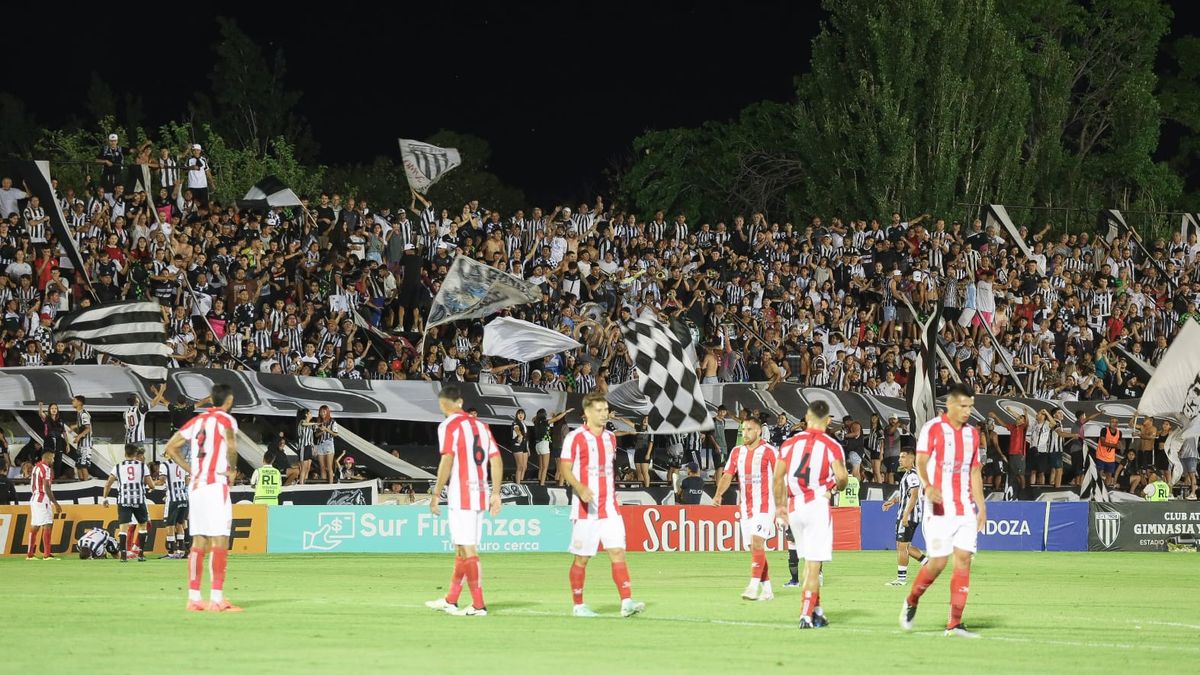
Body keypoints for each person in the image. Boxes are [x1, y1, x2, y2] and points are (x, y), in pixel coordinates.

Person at [901, 383, 986, 638]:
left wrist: (981, 506)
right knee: (938, 562)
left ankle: (955, 623)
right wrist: (927, 484)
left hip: (965, 507)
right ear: (950, 404)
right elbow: (922, 460)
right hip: (938, 505)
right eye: (963, 406)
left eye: (970, 406)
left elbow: (974, 471)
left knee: (963, 560)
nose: (967, 411)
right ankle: (912, 599)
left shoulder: (972, 434)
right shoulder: (933, 429)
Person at [560, 391, 645, 618]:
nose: (604, 414)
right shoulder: (575, 438)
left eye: (606, 410)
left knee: (618, 552)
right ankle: (578, 605)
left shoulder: (610, 438)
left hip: (609, 508)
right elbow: (565, 469)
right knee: (582, 558)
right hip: (586, 509)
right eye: (599, 410)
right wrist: (579, 488)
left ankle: (626, 601)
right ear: (587, 413)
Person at [162, 384, 242, 612]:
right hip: (216, 484)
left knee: (199, 542)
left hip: (196, 487)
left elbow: (171, 447)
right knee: (220, 540)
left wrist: (191, 469)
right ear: (228, 401)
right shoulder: (226, 420)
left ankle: (194, 598)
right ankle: (217, 599)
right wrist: (233, 470)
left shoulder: (196, 421)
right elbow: (232, 446)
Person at [424, 385, 502, 617]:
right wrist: (495, 493)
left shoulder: (448, 425)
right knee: (461, 547)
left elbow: (447, 459)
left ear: (442, 405)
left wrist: (436, 493)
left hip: (462, 494)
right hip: (479, 494)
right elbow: (496, 460)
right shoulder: (481, 425)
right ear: (459, 402)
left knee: (467, 548)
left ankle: (479, 605)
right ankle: (451, 600)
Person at [773, 400, 847, 629]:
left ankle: (817, 611)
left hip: (794, 507)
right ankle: (805, 613)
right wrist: (834, 486)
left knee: (807, 560)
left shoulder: (789, 444)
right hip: (816, 505)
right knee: (814, 563)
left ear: (806, 416)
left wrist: (780, 507)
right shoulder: (831, 445)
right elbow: (843, 479)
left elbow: (777, 478)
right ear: (828, 420)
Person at [713, 415, 778, 601]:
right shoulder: (736, 452)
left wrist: (784, 503)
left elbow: (781, 477)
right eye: (743, 430)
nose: (745, 433)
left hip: (765, 505)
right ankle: (768, 589)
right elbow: (727, 475)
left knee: (757, 543)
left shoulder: (769, 451)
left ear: (758, 431)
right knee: (754, 548)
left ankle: (752, 586)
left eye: (749, 429)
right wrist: (718, 494)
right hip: (745, 507)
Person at [102, 444, 154, 562]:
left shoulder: (118, 467)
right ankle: (140, 554)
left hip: (123, 500)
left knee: (123, 528)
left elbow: (108, 484)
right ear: (136, 454)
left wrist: (105, 498)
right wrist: (152, 487)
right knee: (142, 526)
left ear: (125, 453)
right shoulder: (142, 466)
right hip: (139, 500)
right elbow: (150, 484)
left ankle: (124, 555)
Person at [882, 448, 926, 586]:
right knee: (905, 546)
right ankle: (928, 564)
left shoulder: (912, 476)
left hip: (908, 515)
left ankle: (901, 579)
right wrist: (893, 501)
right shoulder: (908, 474)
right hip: (907, 514)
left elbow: (913, 496)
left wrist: (905, 515)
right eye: (900, 457)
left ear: (911, 458)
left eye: (903, 457)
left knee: (902, 547)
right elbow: (907, 495)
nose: (899, 459)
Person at [26, 449, 62, 560]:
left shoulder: (36, 467)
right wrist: (56, 503)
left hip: (35, 499)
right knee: (48, 523)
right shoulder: (46, 468)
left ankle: (30, 554)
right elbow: (47, 487)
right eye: (53, 458)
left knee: (35, 525)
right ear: (47, 458)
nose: (53, 460)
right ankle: (46, 554)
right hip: (42, 499)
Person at [161, 450, 190, 559]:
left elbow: (162, 480)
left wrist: (152, 484)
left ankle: (171, 552)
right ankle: (181, 551)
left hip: (172, 498)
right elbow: (187, 481)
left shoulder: (165, 465)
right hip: (183, 498)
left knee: (170, 525)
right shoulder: (183, 464)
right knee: (180, 524)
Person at [306, 406, 340, 484]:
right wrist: (322, 431)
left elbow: (336, 434)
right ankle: (324, 485)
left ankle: (330, 486)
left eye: (324, 411)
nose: (322, 413)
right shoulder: (318, 422)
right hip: (320, 444)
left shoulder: (332, 421)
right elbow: (317, 435)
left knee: (329, 467)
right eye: (321, 412)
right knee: (322, 467)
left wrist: (326, 429)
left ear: (327, 412)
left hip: (328, 443)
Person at [36, 402, 67, 477]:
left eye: (55, 408)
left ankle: (55, 478)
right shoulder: (46, 418)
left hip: (59, 442)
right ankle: (45, 477)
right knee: (48, 461)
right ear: (49, 410)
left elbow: (64, 433)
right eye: (52, 408)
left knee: (58, 462)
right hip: (49, 441)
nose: (54, 410)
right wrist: (40, 406)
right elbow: (40, 413)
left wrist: (67, 444)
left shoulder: (60, 421)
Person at [70, 395, 93, 481]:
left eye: (74, 400)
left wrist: (79, 437)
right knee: (78, 466)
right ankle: (81, 483)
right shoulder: (79, 413)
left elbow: (88, 428)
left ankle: (86, 485)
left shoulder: (84, 414)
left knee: (83, 466)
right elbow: (84, 426)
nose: (72, 402)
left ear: (79, 402)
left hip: (85, 444)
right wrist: (76, 428)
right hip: (81, 444)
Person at [1096, 417, 1121, 488]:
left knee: (1109, 475)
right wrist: (1114, 445)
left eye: (1116, 422)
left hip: (1110, 458)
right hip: (1101, 456)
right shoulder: (1104, 430)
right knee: (1099, 473)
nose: (1114, 423)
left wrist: (1118, 446)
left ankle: (1106, 489)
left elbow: (1118, 445)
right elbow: (1103, 443)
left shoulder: (1119, 433)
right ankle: (1098, 488)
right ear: (1109, 423)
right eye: (1112, 422)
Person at [295, 409, 314, 485]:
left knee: (308, 467)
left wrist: (313, 447)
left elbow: (311, 437)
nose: (311, 414)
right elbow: (304, 424)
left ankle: (304, 483)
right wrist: (315, 423)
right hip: (303, 446)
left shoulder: (310, 425)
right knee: (303, 468)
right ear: (306, 414)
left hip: (309, 446)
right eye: (310, 413)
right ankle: (301, 485)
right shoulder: (302, 421)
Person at [512, 409, 530, 484]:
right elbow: (517, 429)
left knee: (524, 467)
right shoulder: (515, 422)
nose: (520, 415)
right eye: (519, 414)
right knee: (519, 466)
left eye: (522, 414)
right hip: (517, 445)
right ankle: (518, 484)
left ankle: (521, 481)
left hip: (524, 446)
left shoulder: (524, 423)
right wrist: (519, 435)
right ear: (516, 415)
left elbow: (526, 437)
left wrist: (528, 448)